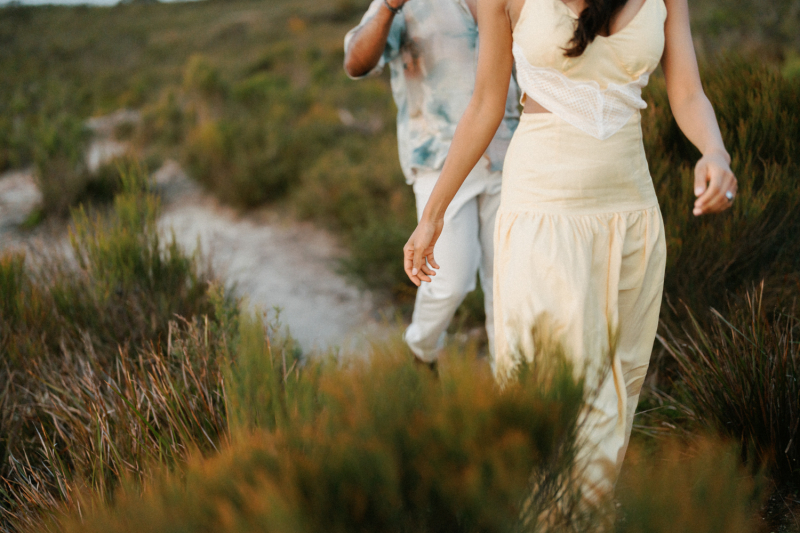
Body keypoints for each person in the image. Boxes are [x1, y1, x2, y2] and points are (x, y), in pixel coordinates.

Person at [403, 0, 737, 503]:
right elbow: (486, 104)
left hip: (629, 216)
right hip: (542, 212)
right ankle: (543, 509)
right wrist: (433, 214)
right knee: (551, 379)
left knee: (617, 386)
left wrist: (715, 152)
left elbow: (688, 93)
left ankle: (583, 512)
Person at [343, 0, 521, 366]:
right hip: (438, 161)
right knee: (449, 281)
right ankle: (421, 350)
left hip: (510, 153)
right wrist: (389, 7)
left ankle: (508, 381)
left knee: (509, 285)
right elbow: (356, 63)